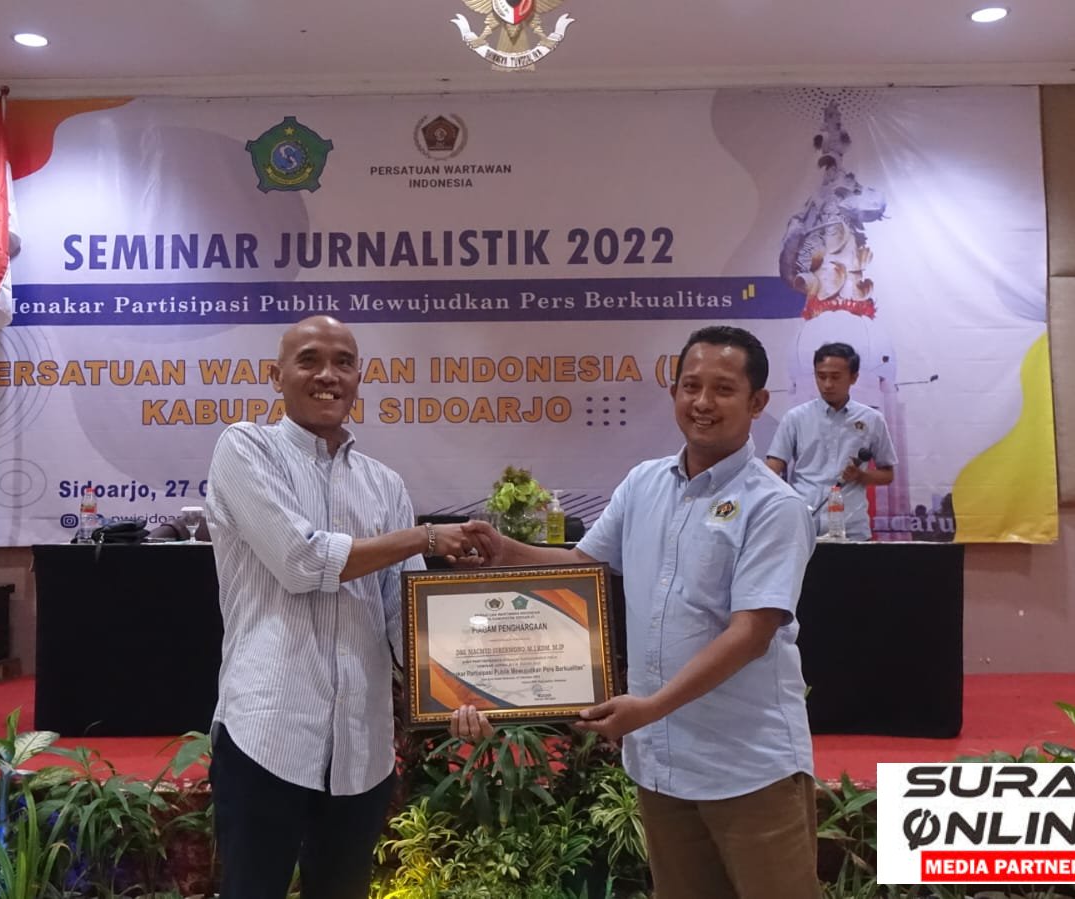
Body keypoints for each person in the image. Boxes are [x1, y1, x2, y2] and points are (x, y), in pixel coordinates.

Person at [452, 324, 821, 898]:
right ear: (673, 392)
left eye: (723, 389)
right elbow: (583, 564)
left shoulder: (775, 506)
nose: (703, 402)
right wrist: (507, 552)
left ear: (757, 403)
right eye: (690, 386)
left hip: (747, 766)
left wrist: (649, 708)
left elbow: (751, 634)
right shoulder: (644, 483)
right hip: (661, 765)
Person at [203, 314, 495, 899]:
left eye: (343, 362)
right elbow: (301, 561)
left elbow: (405, 616)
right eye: (309, 360)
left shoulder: (384, 485)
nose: (327, 375)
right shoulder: (245, 448)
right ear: (276, 376)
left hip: (361, 748)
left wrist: (459, 694)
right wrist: (423, 537)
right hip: (267, 733)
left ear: (359, 377)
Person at [765, 341, 896, 541]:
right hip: (803, 526)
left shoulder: (872, 419)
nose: (827, 384)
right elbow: (773, 467)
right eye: (821, 376)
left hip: (852, 528)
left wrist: (861, 476)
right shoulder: (795, 417)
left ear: (853, 377)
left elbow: (887, 475)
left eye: (835, 377)